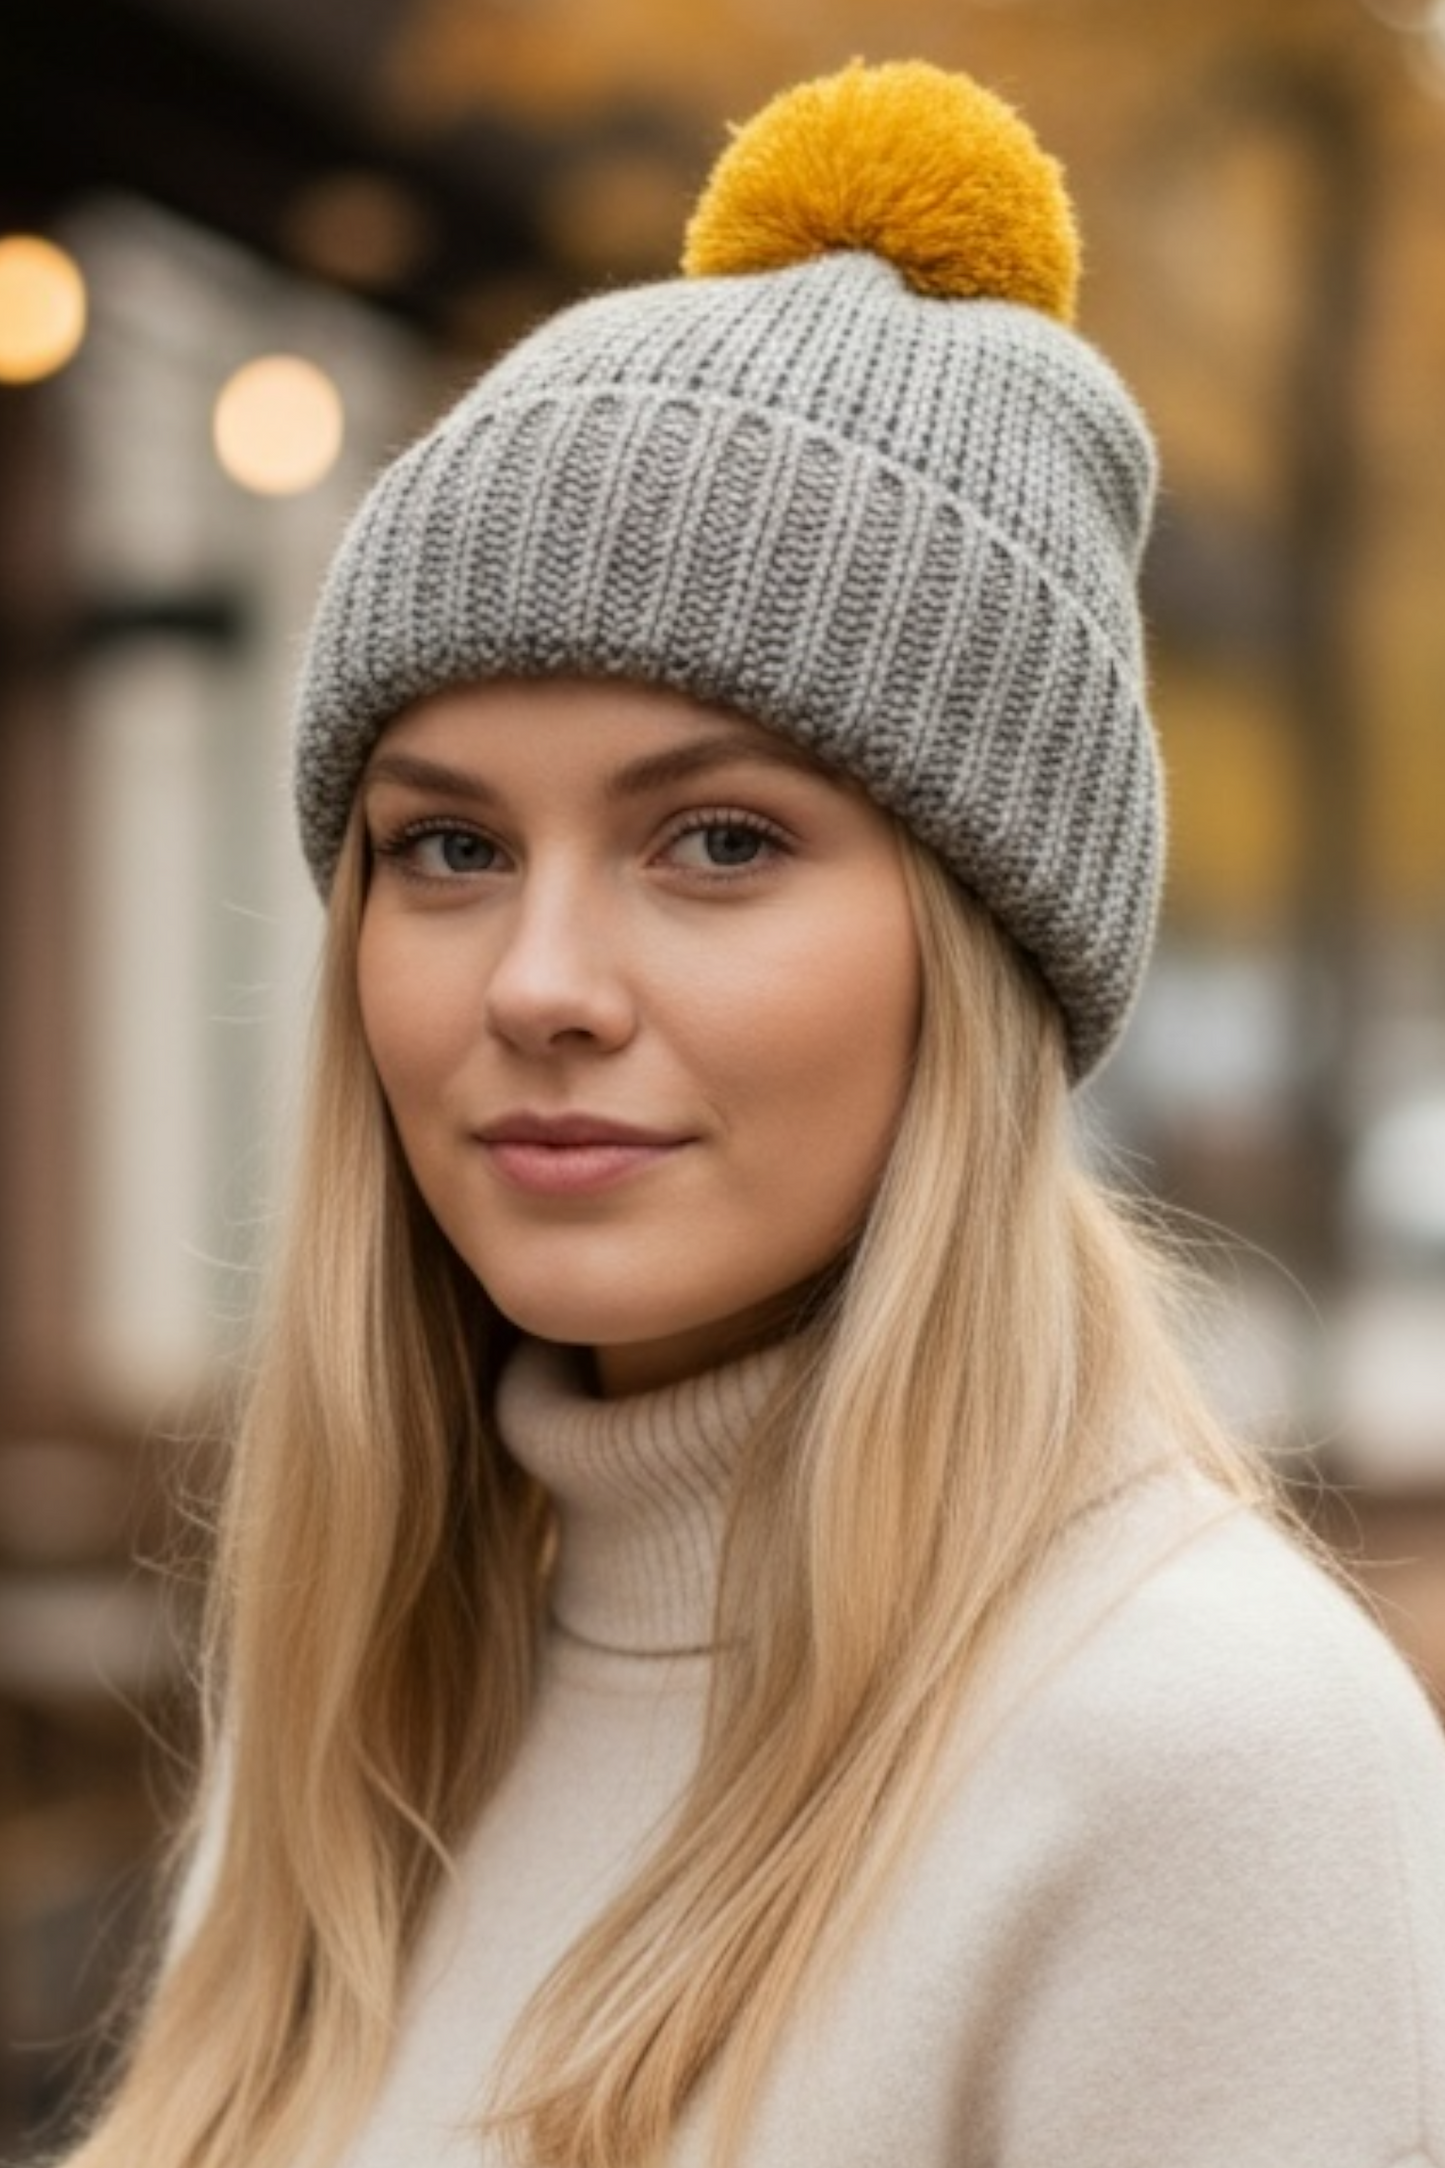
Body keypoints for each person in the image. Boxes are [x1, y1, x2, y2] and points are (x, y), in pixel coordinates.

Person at [63, 58, 1445, 2168]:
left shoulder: (1199, 1755)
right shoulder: (370, 1704)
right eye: (444, 850)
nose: (537, 982)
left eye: (713, 843)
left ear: (977, 952)